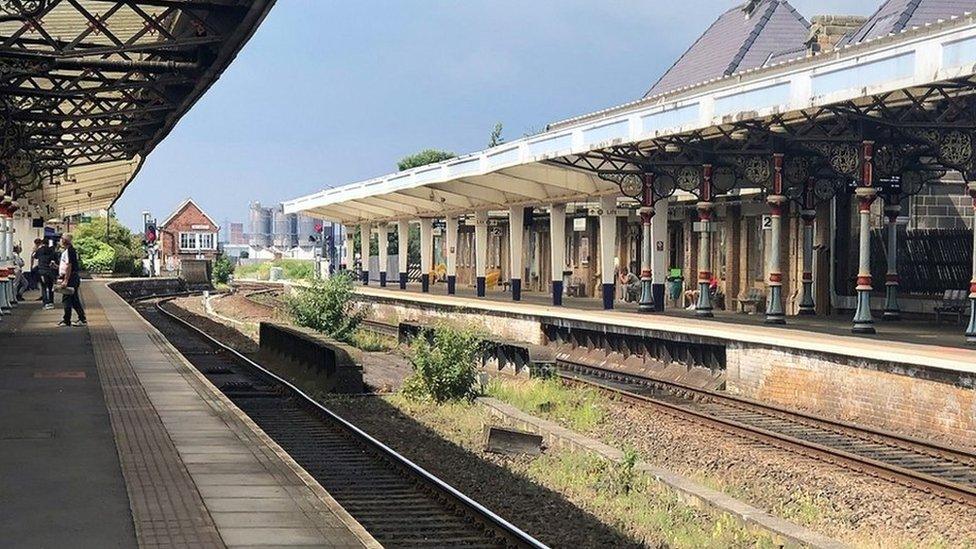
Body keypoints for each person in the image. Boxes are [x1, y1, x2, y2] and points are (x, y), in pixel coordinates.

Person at [57, 234, 86, 327]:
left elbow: (69, 266)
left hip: (71, 278)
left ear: (65, 240)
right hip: (71, 277)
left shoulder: (69, 251)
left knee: (67, 299)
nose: (60, 240)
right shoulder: (69, 251)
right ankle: (81, 318)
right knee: (74, 300)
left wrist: (66, 280)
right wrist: (57, 267)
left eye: (61, 239)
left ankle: (67, 320)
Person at [34, 238, 56, 309]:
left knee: (43, 287)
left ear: (42, 243)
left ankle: (45, 303)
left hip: (42, 271)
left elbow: (35, 256)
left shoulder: (39, 250)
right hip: (50, 271)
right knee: (50, 287)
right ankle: (51, 302)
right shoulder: (51, 250)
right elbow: (54, 260)